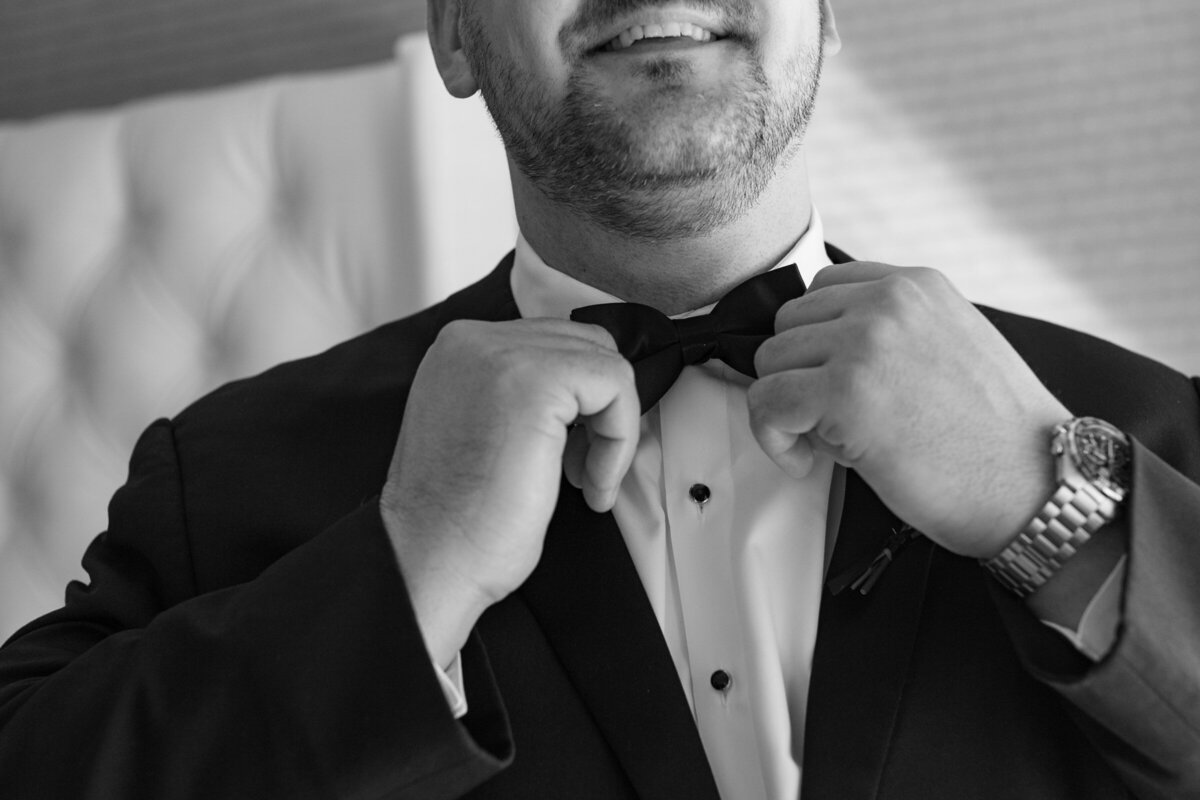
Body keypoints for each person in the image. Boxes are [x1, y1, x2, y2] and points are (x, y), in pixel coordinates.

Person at [1, 0, 1198, 797]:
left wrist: (1049, 504)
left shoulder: (1143, 430)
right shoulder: (222, 481)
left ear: (827, 17)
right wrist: (407, 567)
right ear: (458, 34)